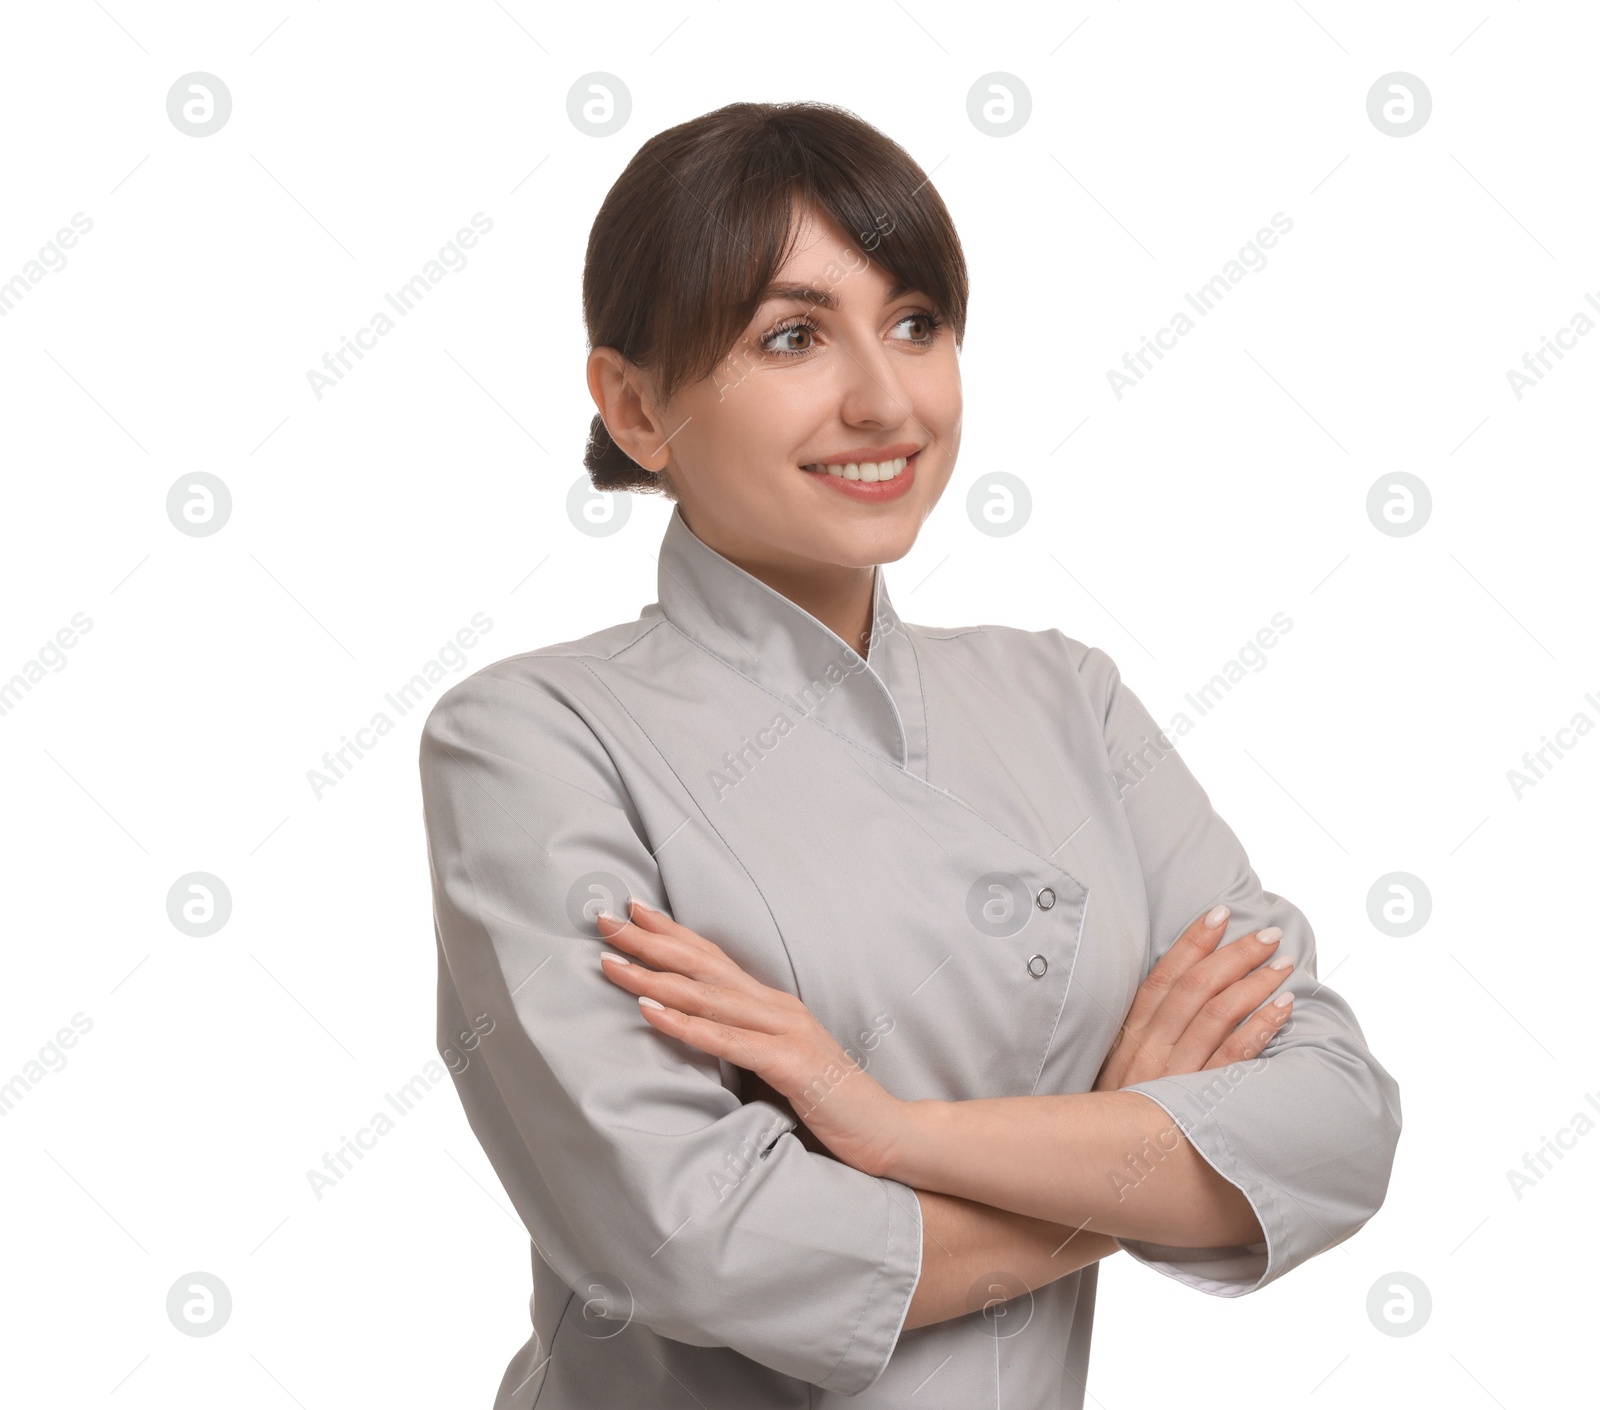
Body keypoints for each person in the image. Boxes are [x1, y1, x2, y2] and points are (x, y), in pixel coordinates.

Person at [419, 99, 1401, 1409]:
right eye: (793, 335)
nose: (884, 399)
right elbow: (700, 1243)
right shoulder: (532, 737)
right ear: (637, 408)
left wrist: (888, 1127)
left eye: (916, 323)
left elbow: (1337, 1125)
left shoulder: (1066, 698)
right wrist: (1129, 1160)